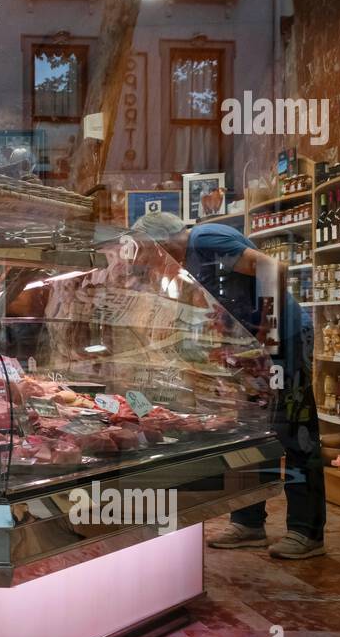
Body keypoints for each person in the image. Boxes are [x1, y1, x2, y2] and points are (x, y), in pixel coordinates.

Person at [132, 210, 325, 559]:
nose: (147, 263)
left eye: (147, 253)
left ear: (160, 242)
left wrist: (269, 336)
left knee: (295, 429)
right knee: (248, 430)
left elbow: (272, 268)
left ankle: (306, 531)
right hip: (250, 348)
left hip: (285, 339)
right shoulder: (188, 260)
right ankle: (249, 522)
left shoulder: (205, 240)